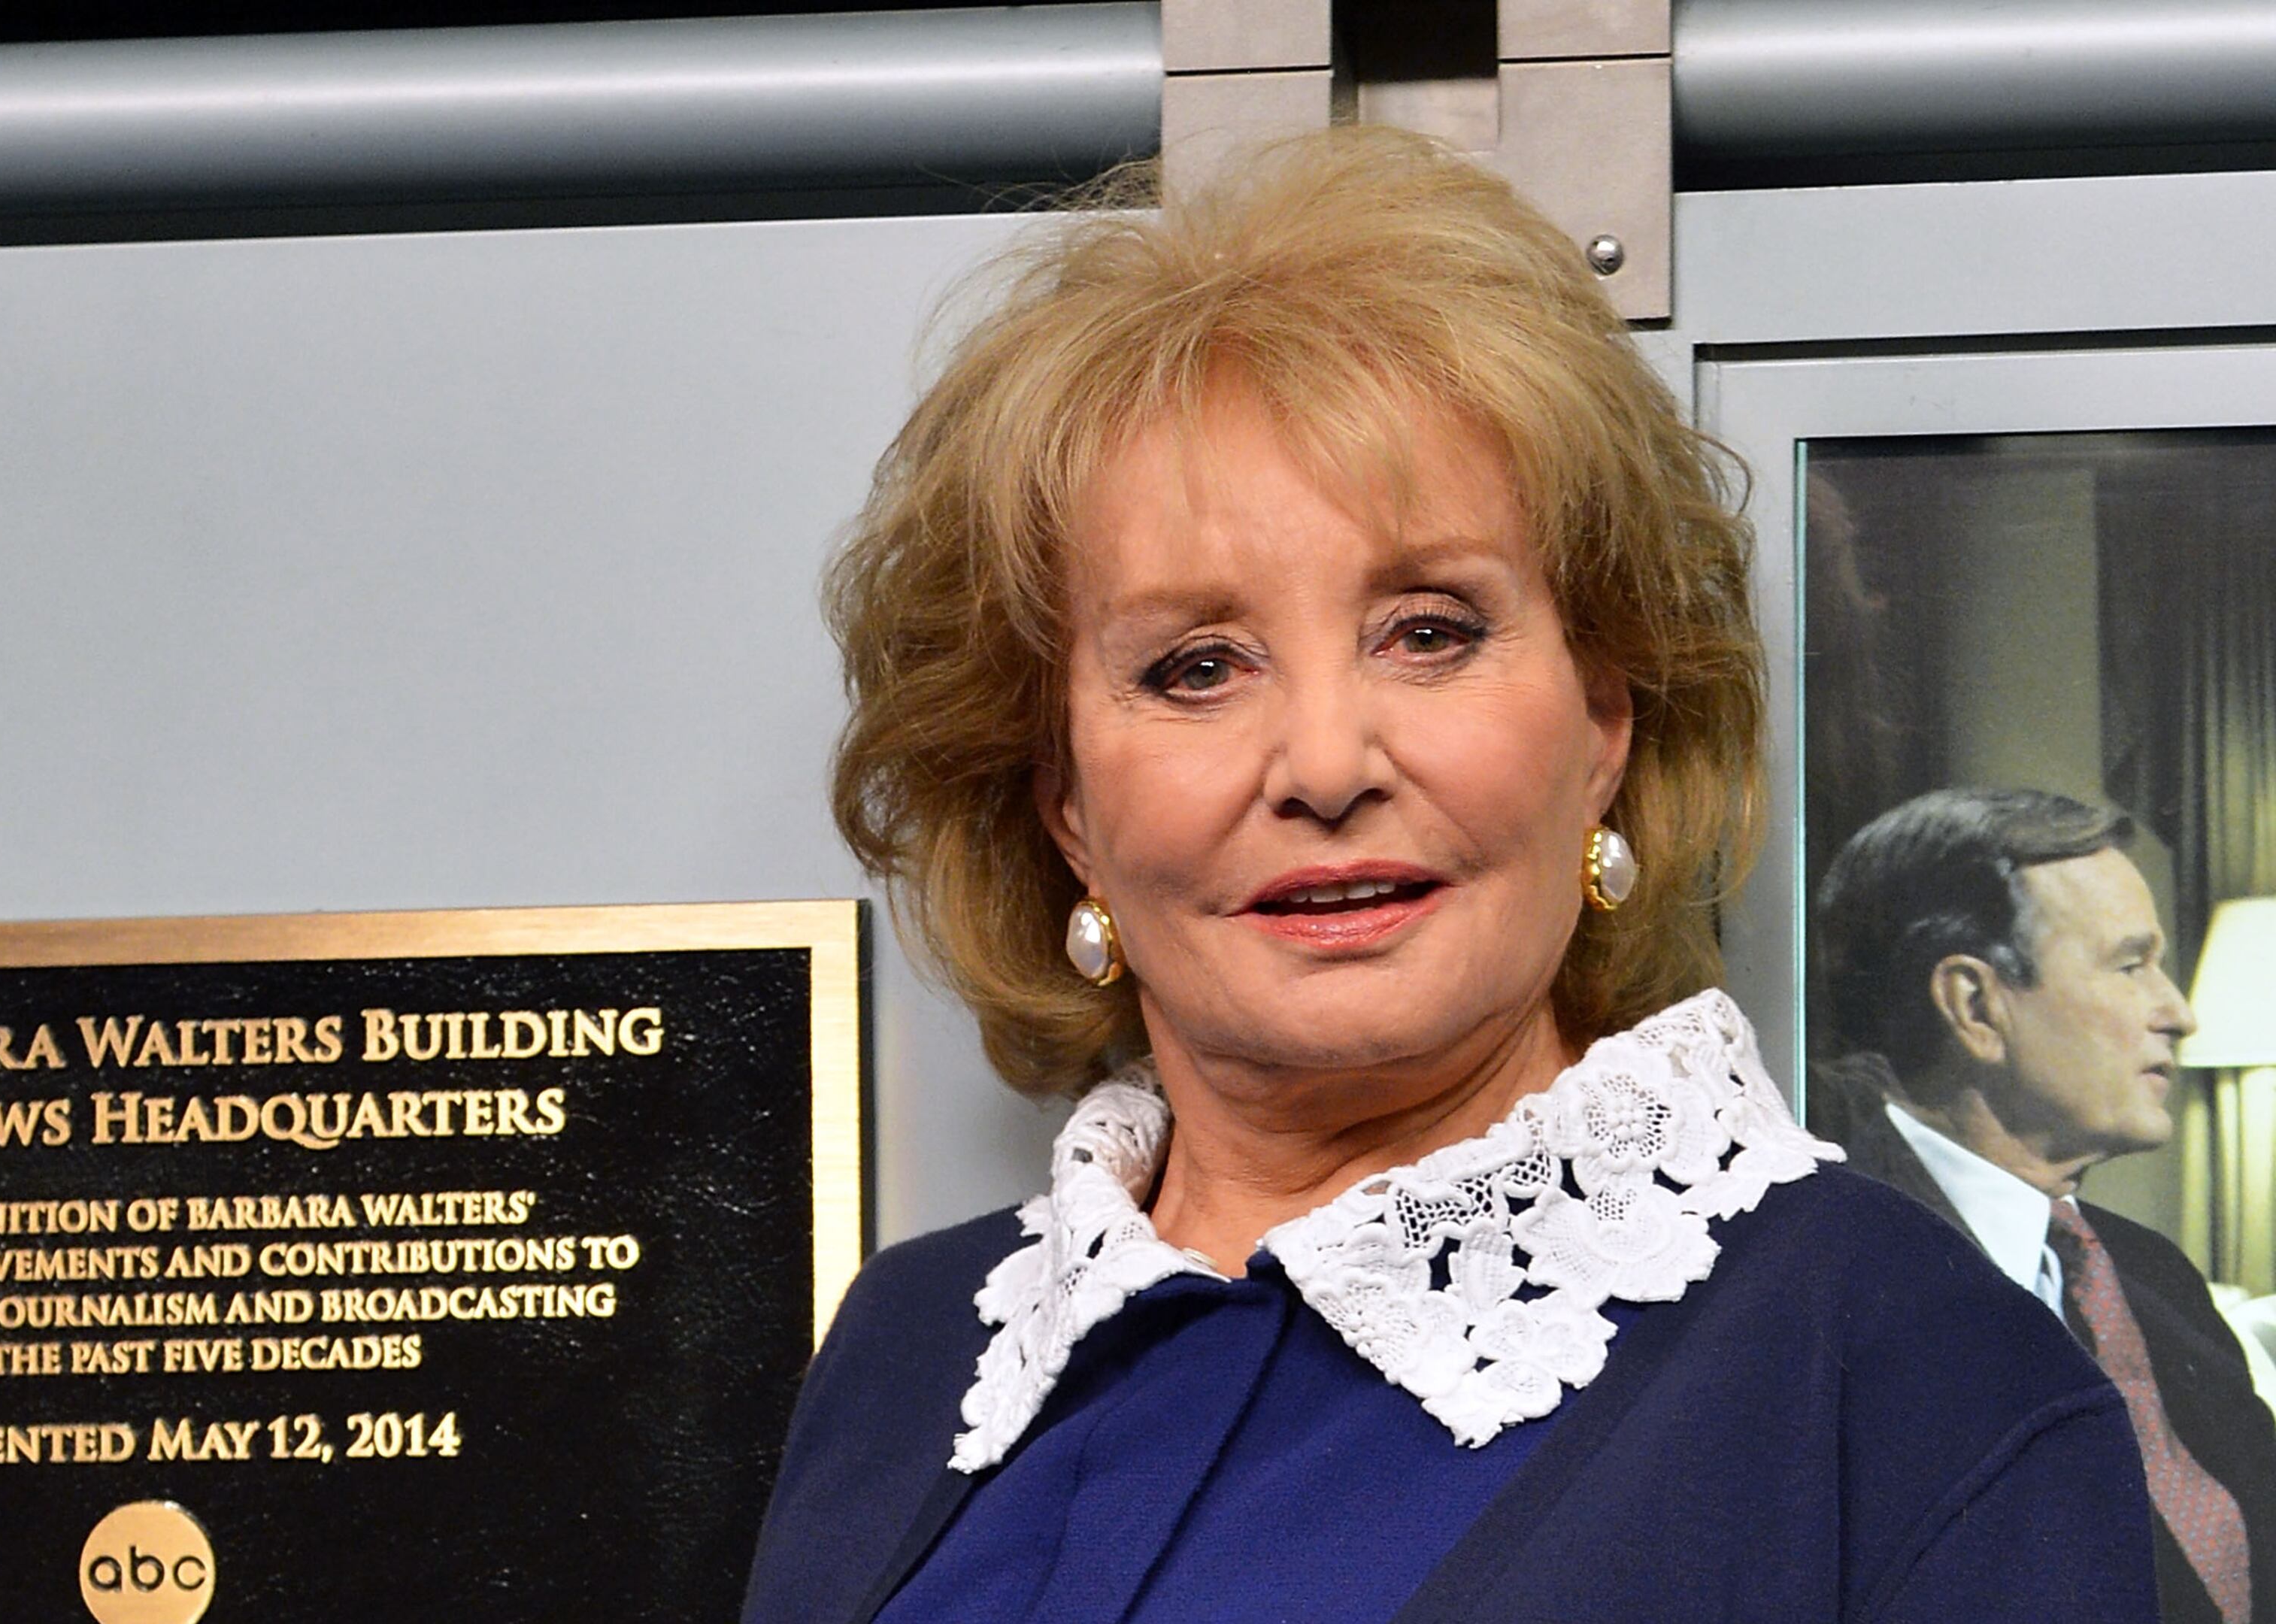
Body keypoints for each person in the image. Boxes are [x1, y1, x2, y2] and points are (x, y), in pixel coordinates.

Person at [741, 129, 2158, 1624]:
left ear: (1606, 726)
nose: (1326, 760)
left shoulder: (1916, 1380)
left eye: (1430, 631)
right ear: (1068, 807)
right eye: (1196, 664)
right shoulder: (914, 1351)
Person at [1812, 786, 2276, 1624]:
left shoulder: (2152, 1275)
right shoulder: (1835, 1274)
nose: (2178, 1012)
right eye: (2131, 965)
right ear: (1976, 1006)